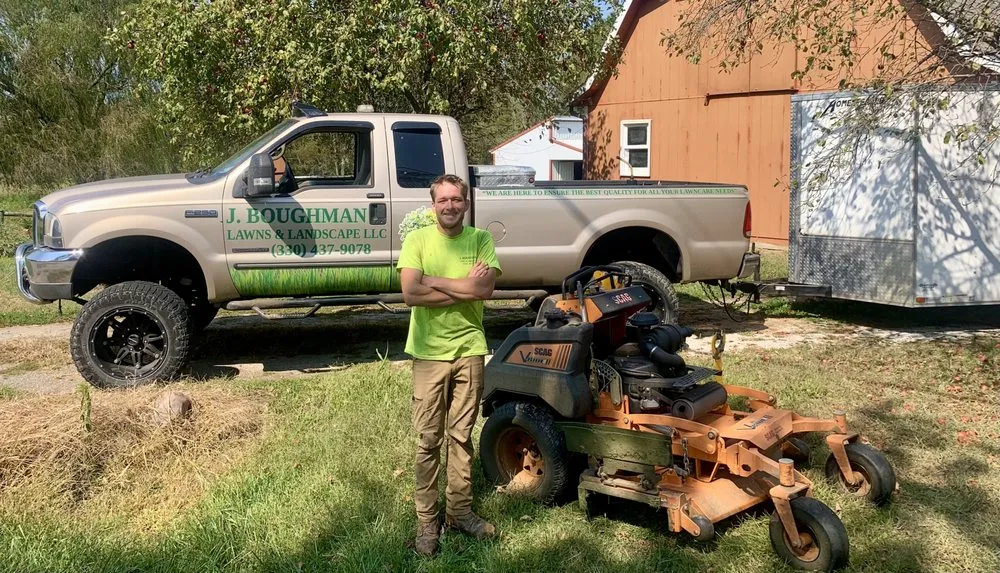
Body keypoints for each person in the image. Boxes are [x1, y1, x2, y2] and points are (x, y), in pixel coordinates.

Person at [397, 173, 502, 557]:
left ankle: (459, 512)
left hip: (469, 350)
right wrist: (462, 285)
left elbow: (485, 289)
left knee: (461, 437)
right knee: (428, 440)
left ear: (466, 203)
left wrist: (435, 281)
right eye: (443, 200)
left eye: (457, 199)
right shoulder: (417, 240)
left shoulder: (480, 241)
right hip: (428, 352)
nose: (450, 206)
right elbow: (410, 293)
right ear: (433, 205)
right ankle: (427, 522)